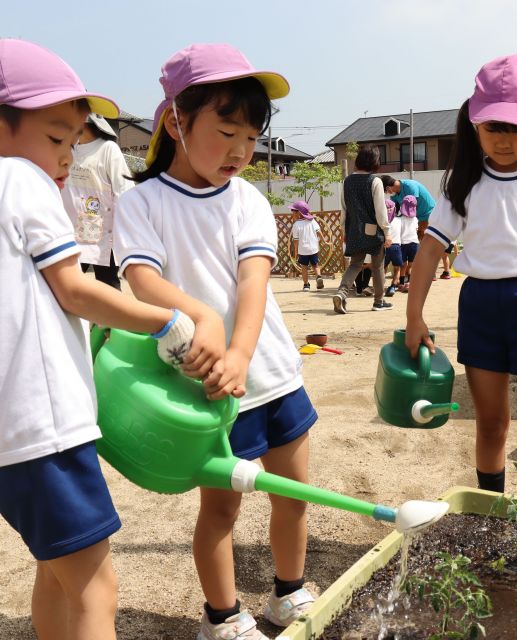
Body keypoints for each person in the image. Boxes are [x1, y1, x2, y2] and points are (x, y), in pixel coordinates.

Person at [112, 43, 318, 640]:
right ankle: (222, 618)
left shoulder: (249, 200)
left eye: (251, 138)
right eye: (226, 131)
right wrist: (204, 320)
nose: (240, 151)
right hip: (207, 388)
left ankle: (288, 593)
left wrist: (241, 354)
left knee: (294, 496)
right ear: (176, 121)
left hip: (272, 373)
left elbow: (253, 284)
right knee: (221, 510)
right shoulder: (141, 202)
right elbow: (142, 279)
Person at [0, 38, 198, 640]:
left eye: (74, 141)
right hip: (45, 429)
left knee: (54, 568)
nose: (67, 156)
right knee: (94, 586)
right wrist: (165, 321)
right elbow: (73, 287)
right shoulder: (21, 179)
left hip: (12, 435)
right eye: (56, 138)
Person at [405, 53, 517, 506]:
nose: (503, 140)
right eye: (492, 128)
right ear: (474, 123)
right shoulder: (463, 183)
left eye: (516, 128)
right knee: (491, 425)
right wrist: (414, 316)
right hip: (481, 306)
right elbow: (430, 251)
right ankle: (491, 514)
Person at [61, 112, 133, 290]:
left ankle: (115, 318)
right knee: (65, 288)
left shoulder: (108, 149)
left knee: (108, 287)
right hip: (70, 232)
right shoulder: (69, 150)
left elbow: (125, 191)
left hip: (101, 235)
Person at [332, 145, 393, 313]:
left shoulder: (347, 181)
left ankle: (341, 293)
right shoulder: (375, 181)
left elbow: (344, 209)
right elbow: (381, 211)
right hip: (373, 231)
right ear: (375, 161)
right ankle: (378, 302)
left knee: (355, 264)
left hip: (354, 230)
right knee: (377, 266)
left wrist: (345, 231)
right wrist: (387, 233)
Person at [380, 175, 453, 279]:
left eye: (385, 191)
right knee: (420, 246)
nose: (387, 193)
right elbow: (394, 211)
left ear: (388, 187)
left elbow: (413, 204)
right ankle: (420, 272)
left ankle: (430, 273)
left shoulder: (410, 186)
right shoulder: (395, 195)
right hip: (416, 220)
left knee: (425, 245)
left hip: (428, 215)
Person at [290, 199, 325, 291]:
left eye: (293, 211)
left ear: (299, 213)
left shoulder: (296, 225)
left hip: (303, 250)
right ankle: (319, 277)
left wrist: (296, 250)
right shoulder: (312, 221)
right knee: (315, 265)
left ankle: (306, 285)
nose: (292, 213)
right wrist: (324, 240)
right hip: (313, 248)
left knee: (304, 267)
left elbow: (296, 241)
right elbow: (319, 232)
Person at [383, 198, 402, 296]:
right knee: (397, 268)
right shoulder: (399, 220)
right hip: (396, 246)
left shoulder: (382, 221)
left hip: (385, 247)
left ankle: (381, 286)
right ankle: (393, 287)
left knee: (383, 268)